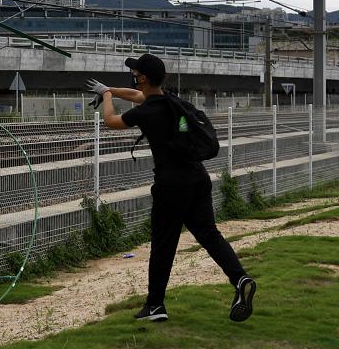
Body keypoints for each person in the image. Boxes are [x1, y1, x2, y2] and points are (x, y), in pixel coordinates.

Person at [87, 53, 256, 323]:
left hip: (171, 185)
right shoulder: (170, 102)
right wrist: (109, 89)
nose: (133, 75)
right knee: (209, 235)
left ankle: (155, 305)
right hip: (197, 178)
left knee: (163, 243)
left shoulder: (147, 111)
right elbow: (135, 94)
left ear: (142, 77)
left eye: (135, 72)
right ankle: (240, 278)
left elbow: (111, 121)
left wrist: (106, 98)